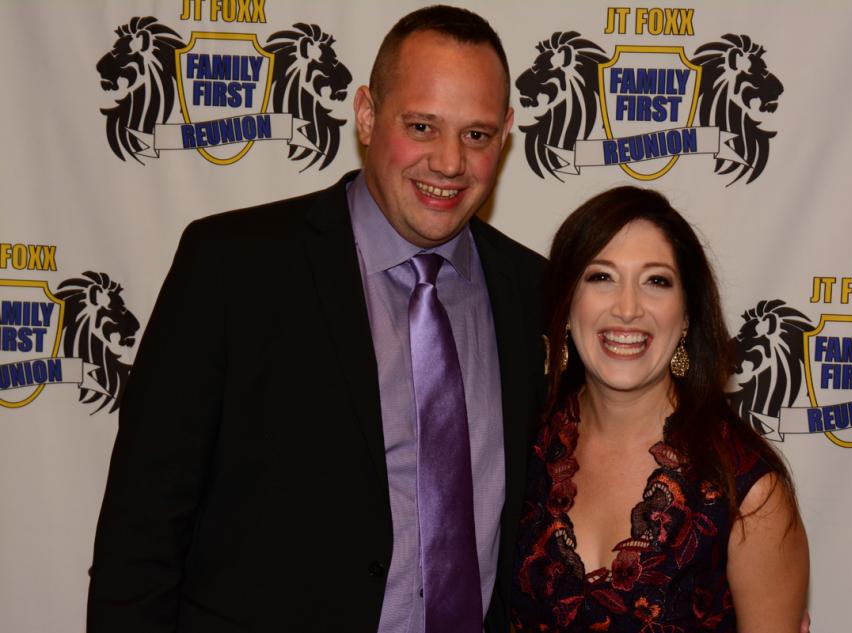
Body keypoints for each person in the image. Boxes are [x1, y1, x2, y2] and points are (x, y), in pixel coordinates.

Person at [87, 6, 545, 632]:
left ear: (506, 134)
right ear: (367, 114)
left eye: (477, 135)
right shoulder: (232, 267)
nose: (448, 162)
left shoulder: (535, 291)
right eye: (421, 126)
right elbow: (140, 533)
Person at [511, 186, 809, 632]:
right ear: (567, 306)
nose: (628, 308)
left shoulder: (747, 493)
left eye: (656, 281)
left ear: (686, 314)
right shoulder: (519, 448)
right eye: (601, 277)